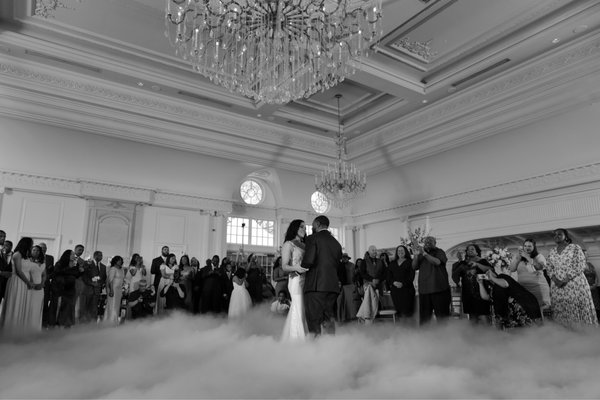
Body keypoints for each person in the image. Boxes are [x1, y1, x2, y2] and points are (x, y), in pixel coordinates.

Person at [546, 228, 598, 328]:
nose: (556, 236)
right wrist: (556, 280)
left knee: (577, 306)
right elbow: (548, 267)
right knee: (562, 309)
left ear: (566, 236)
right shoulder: (552, 251)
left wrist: (565, 279)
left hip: (574, 283)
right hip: (557, 286)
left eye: (559, 234)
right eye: (554, 235)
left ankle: (583, 332)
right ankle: (566, 334)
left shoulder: (575, 248)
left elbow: (580, 264)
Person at [301, 215, 342, 337]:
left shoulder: (313, 238)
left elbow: (308, 261)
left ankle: (315, 349)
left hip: (316, 286)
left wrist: (298, 269)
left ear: (317, 224)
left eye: (313, 224)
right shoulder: (336, 243)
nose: (312, 227)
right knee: (329, 318)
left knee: (314, 319)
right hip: (332, 287)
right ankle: (329, 347)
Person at [477, 269, 542, 329]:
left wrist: (492, 278)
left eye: (489, 272)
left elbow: (505, 284)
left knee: (531, 330)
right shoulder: (494, 288)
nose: (487, 274)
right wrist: (480, 283)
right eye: (486, 274)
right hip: (511, 314)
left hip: (524, 307)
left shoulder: (502, 277)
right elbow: (485, 297)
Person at [281, 219, 309, 340]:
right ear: (295, 228)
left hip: (307, 280)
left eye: (305, 227)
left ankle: (301, 337)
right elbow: (284, 266)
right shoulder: (288, 244)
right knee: (298, 308)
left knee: (302, 309)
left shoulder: (305, 245)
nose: (304, 229)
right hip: (296, 280)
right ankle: (296, 339)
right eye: (301, 227)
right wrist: (296, 267)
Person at [412, 236, 450, 325]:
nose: (428, 242)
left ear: (435, 243)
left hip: (439, 289)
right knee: (425, 318)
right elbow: (414, 267)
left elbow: (437, 262)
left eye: (430, 241)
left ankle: (444, 336)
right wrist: (416, 256)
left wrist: (424, 253)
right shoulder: (420, 254)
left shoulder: (439, 251)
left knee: (442, 317)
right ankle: (426, 336)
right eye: (426, 241)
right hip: (424, 290)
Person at [451, 244, 493, 323]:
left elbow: (491, 271)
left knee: (484, 317)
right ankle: (474, 334)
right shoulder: (463, 263)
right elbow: (455, 278)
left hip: (481, 294)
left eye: (472, 249)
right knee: (472, 319)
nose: (469, 250)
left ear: (477, 252)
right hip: (468, 294)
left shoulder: (483, 261)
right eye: (468, 249)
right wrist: (460, 263)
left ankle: (488, 334)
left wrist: (477, 264)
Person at [0, 237, 34, 335]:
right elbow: (19, 271)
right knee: (16, 302)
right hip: (17, 282)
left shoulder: (27, 256)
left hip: (25, 282)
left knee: (23, 303)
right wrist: (28, 282)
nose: (32, 246)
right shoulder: (17, 254)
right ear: (26, 244)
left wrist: (30, 280)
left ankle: (20, 327)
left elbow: (29, 270)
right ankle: (11, 329)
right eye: (31, 244)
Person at [509, 238, 551, 311]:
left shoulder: (539, 256)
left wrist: (527, 257)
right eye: (525, 246)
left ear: (534, 247)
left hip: (538, 287)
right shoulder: (519, 257)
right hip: (523, 288)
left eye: (529, 246)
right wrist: (517, 259)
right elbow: (512, 269)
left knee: (539, 309)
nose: (527, 248)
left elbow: (539, 267)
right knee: (525, 310)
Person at [387, 245, 416, 320]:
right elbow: (389, 276)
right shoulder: (392, 263)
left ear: (405, 252)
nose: (400, 252)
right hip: (395, 291)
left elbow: (411, 276)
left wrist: (402, 283)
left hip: (407, 290)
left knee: (407, 312)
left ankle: (409, 329)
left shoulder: (410, 262)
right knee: (399, 312)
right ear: (396, 252)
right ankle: (401, 329)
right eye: (399, 251)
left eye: (402, 250)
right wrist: (393, 282)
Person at [80, 250, 107, 324]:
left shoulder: (103, 267)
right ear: (95, 256)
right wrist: (91, 283)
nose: (101, 257)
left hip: (97, 290)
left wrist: (100, 283)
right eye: (99, 255)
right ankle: (83, 322)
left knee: (94, 308)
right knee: (85, 307)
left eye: (101, 255)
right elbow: (84, 276)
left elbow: (104, 278)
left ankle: (92, 323)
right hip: (88, 289)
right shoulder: (88, 263)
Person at [24, 245, 47, 332]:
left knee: (37, 308)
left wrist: (42, 284)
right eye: (34, 250)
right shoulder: (27, 260)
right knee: (29, 307)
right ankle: (26, 328)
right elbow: (27, 272)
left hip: (40, 288)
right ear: (31, 251)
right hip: (30, 286)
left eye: (38, 250)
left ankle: (35, 328)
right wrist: (32, 283)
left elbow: (44, 274)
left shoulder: (42, 261)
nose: (36, 252)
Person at [104, 256, 125, 325]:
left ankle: (115, 320)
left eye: (121, 260)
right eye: (119, 260)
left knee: (117, 305)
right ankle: (110, 321)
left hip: (119, 289)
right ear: (115, 261)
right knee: (112, 305)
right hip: (113, 289)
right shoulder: (113, 269)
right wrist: (111, 290)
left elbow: (122, 279)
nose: (120, 262)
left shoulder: (122, 269)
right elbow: (110, 280)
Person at [582, 250, 600, 320]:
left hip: (594, 287)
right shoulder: (580, 265)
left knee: (596, 304)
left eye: (587, 254)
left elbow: (595, 275)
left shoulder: (590, 264)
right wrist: (588, 287)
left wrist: (595, 284)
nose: (587, 256)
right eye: (586, 254)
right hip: (585, 288)